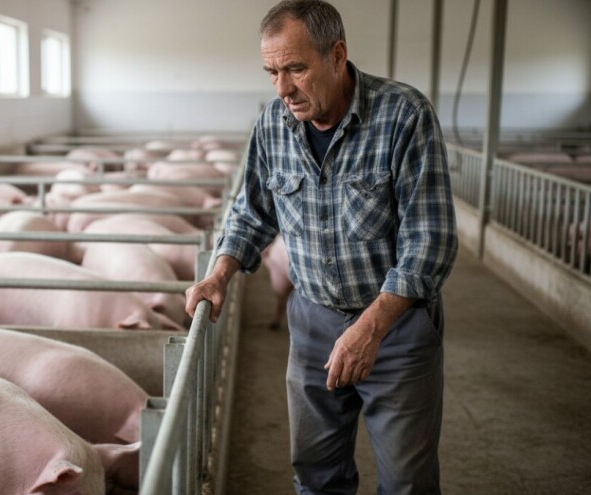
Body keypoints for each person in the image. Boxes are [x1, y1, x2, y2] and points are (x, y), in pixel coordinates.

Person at [184, 1, 458, 494]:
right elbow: (251, 211)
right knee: (315, 473)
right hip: (311, 322)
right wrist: (219, 272)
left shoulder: (404, 115)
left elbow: (429, 241)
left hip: (395, 325)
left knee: (407, 481)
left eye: (295, 68)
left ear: (337, 55)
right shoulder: (271, 125)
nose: (282, 88)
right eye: (271, 72)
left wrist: (370, 329)